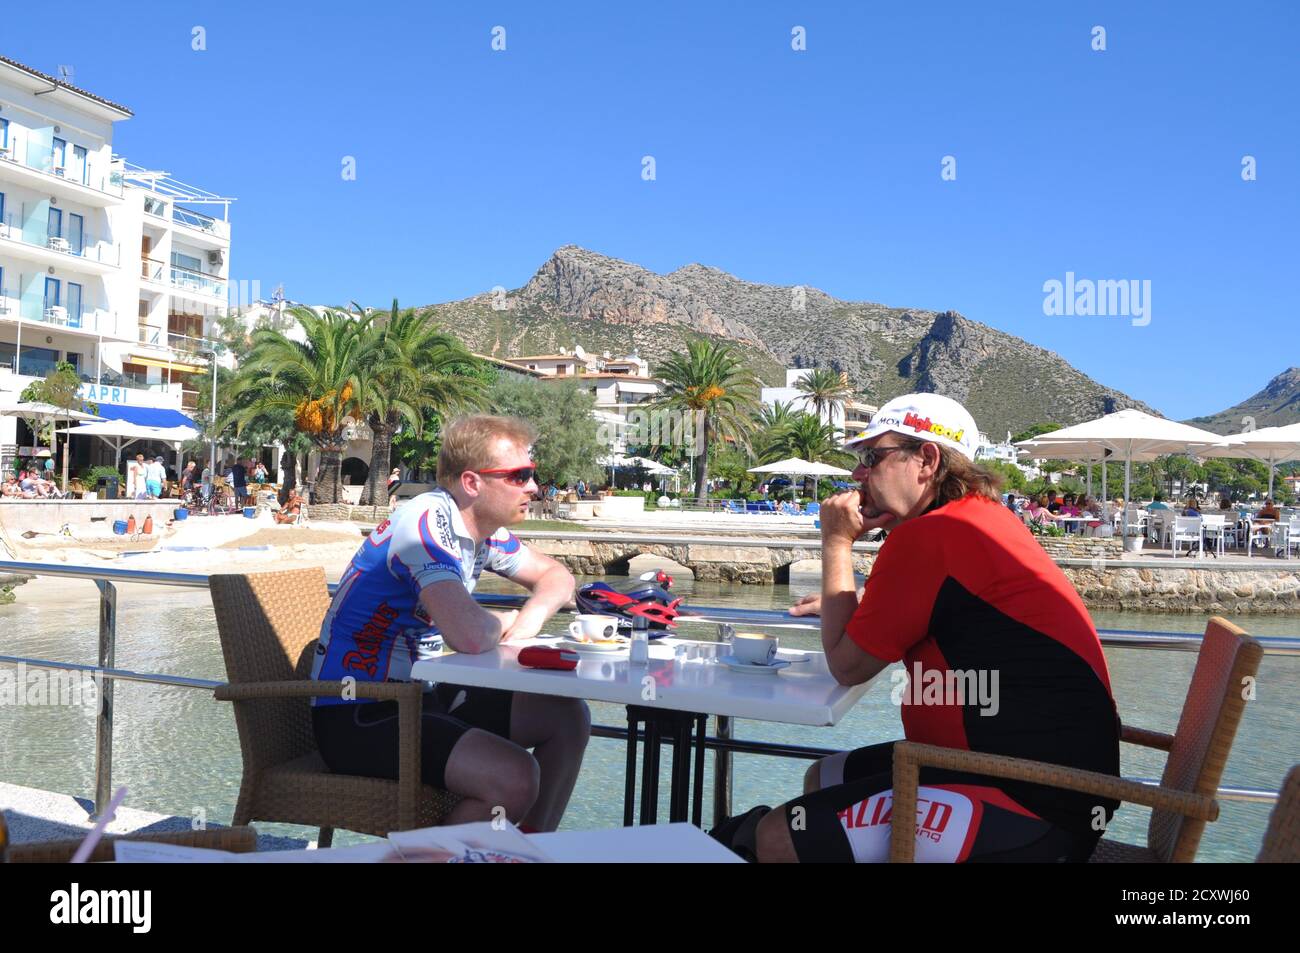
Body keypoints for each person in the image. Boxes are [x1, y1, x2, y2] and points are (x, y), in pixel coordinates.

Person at [714, 393, 1120, 863]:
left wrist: (836, 541)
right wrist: (858, 601)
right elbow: (958, 605)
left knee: (777, 837)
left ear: (926, 459)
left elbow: (846, 666)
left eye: (872, 457)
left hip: (1031, 806)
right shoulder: (976, 521)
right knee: (825, 778)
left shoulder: (929, 537)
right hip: (1046, 785)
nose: (857, 475)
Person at [311, 415, 590, 832]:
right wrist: (507, 618)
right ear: (473, 483)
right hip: (359, 710)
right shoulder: (425, 524)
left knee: (567, 718)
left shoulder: (483, 530)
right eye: (520, 476)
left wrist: (528, 619)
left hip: (421, 696)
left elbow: (558, 578)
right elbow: (469, 635)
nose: (533, 486)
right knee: (514, 777)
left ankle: (527, 852)